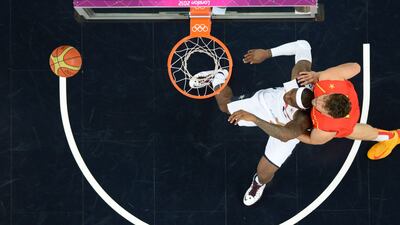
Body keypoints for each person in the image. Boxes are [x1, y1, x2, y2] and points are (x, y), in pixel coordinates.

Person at [200, 40, 315, 206]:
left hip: (285, 128)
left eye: (290, 100)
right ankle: (218, 78)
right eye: (290, 93)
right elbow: (303, 45)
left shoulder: (302, 119)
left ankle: (258, 184)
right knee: (225, 106)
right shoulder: (302, 78)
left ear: (299, 108)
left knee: (264, 173)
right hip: (268, 103)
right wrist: (267, 53)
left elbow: (285, 135)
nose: (286, 95)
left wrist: (254, 119)